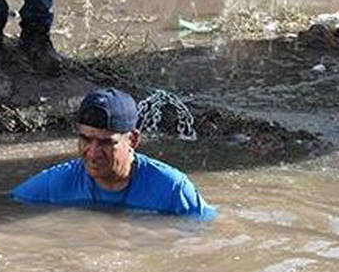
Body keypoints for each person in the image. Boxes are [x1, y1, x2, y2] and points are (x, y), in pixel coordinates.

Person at [13, 87, 216, 217]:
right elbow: (7, 207)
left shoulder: (173, 189)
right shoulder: (56, 183)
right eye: (85, 139)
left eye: (105, 143)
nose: (92, 153)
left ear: (133, 140)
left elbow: (207, 233)